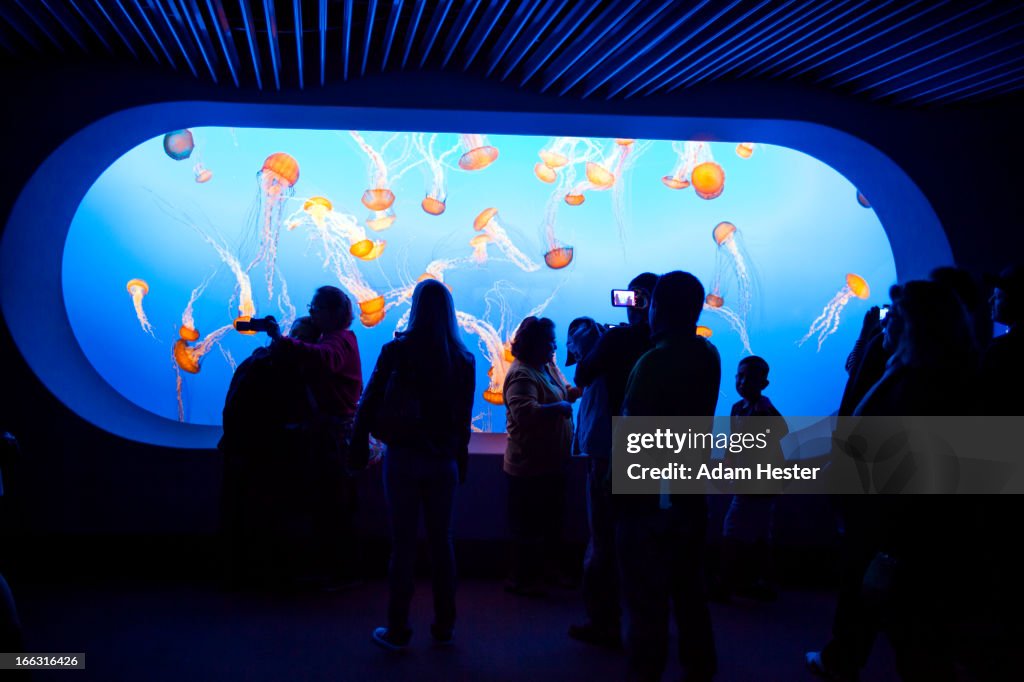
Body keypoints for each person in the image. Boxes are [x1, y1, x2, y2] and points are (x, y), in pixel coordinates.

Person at [350, 279, 475, 650]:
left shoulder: (396, 350)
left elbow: (369, 401)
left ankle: (398, 630)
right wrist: (460, 459)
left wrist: (357, 443)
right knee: (442, 543)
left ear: (416, 307)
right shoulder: (463, 359)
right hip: (444, 461)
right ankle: (445, 626)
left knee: (403, 544)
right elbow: (463, 419)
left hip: (404, 456)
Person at [616, 271, 719, 682]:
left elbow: (634, 437)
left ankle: (645, 674)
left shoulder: (652, 362)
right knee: (690, 591)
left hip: (651, 502)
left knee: (646, 601)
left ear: (656, 307)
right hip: (690, 494)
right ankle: (700, 670)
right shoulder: (708, 354)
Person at [566, 272, 658, 648]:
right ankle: (648, 620)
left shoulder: (617, 338)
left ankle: (603, 622)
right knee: (647, 535)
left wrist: (603, 341)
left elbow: (583, 373)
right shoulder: (682, 345)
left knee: (604, 537)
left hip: (612, 452)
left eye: (636, 298)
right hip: (657, 449)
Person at [267, 286, 363, 588]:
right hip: (328, 434)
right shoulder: (332, 337)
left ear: (334, 313)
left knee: (333, 502)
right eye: (311, 308)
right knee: (325, 500)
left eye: (316, 309)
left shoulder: (341, 340)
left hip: (336, 436)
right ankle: (330, 568)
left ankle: (340, 572)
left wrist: (281, 340)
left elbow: (326, 358)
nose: (311, 313)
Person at [219, 316, 323, 585]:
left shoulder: (267, 361)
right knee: (266, 508)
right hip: (261, 446)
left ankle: (244, 573)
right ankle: (263, 573)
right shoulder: (282, 367)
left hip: (247, 445)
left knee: (252, 507)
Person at [503, 316, 575, 597]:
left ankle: (547, 573)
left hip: (551, 463)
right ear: (533, 344)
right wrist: (558, 407)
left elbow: (564, 392)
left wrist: (582, 389)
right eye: (549, 341)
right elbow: (524, 414)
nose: (554, 345)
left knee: (551, 523)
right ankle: (522, 579)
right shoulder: (522, 373)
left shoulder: (547, 366)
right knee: (528, 526)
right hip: (528, 466)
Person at [714, 355, 789, 603]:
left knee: (733, 529)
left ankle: (727, 583)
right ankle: (759, 582)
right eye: (740, 376)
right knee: (757, 533)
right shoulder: (737, 408)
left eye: (750, 377)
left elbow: (782, 433)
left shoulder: (767, 412)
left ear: (763, 383)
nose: (743, 382)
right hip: (747, 481)